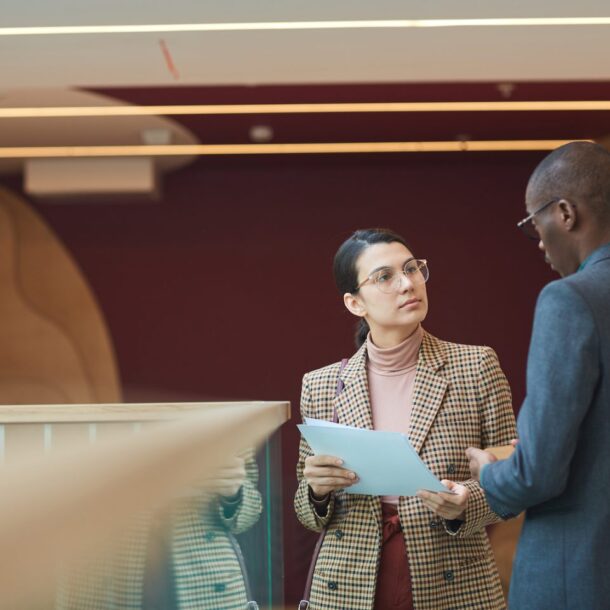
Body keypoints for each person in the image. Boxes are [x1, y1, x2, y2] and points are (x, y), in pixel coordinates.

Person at [294, 228, 517, 610]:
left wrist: (467, 503)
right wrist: (316, 491)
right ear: (354, 303)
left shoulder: (475, 366)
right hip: (348, 582)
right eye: (385, 277)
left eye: (412, 269)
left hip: (453, 580)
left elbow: (513, 479)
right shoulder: (321, 384)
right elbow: (307, 511)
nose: (407, 283)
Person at [467, 141, 610, 610]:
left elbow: (537, 473)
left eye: (534, 224)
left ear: (565, 213)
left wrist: (490, 474)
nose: (541, 243)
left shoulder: (569, 300)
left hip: (580, 578)